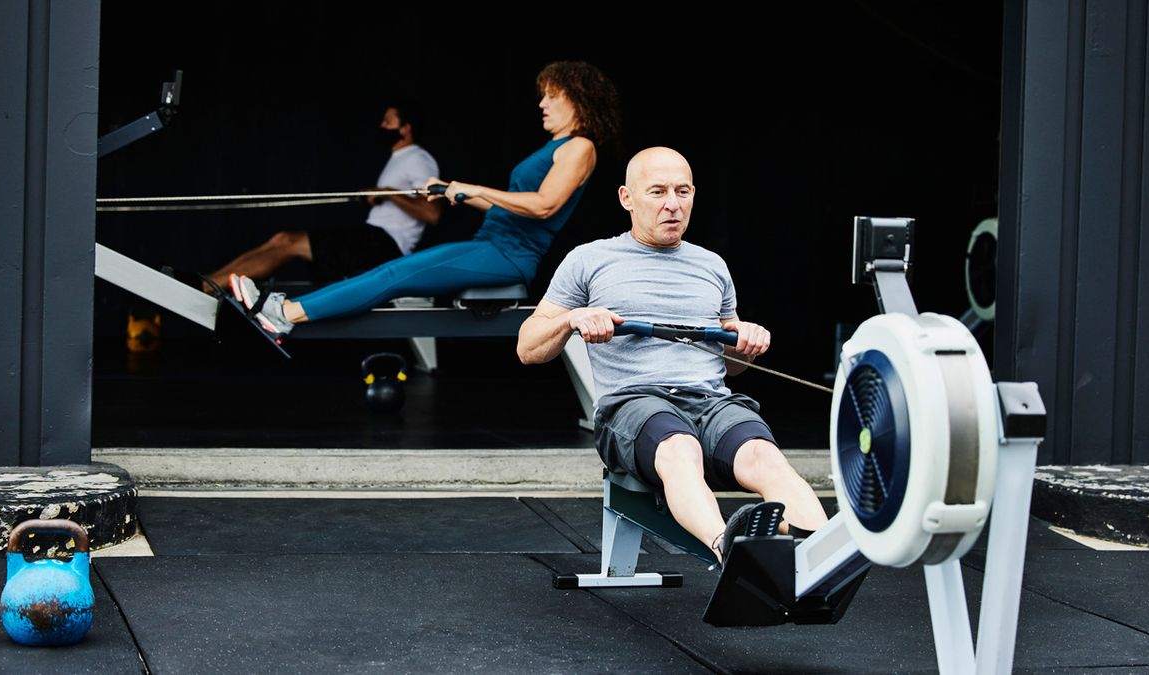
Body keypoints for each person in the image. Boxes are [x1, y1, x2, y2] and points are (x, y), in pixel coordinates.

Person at [516, 147, 828, 564]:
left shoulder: (711, 266)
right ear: (627, 198)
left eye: (682, 192)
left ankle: (820, 555)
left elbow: (731, 365)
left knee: (762, 454)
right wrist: (573, 318)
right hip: (634, 404)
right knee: (680, 447)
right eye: (658, 191)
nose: (672, 204)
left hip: (710, 401)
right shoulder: (589, 260)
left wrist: (745, 343)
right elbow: (527, 348)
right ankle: (729, 552)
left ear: (694, 194)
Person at [230, 61, 621, 338]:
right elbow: (514, 204)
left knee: (393, 275)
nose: (542, 104)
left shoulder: (579, 146)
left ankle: (285, 313)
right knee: (391, 273)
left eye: (551, 96)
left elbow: (544, 206)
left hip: (508, 255)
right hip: (491, 246)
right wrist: (455, 190)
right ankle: (287, 311)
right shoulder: (557, 147)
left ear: (578, 99)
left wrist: (476, 188)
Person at [204, 102, 441, 291]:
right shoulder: (400, 159)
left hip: (385, 245)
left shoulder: (417, 158)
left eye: (387, 122)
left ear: (405, 128)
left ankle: (208, 286)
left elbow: (431, 213)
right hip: (373, 238)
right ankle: (208, 282)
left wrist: (386, 193)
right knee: (282, 240)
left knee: (287, 242)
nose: (381, 126)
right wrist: (383, 195)